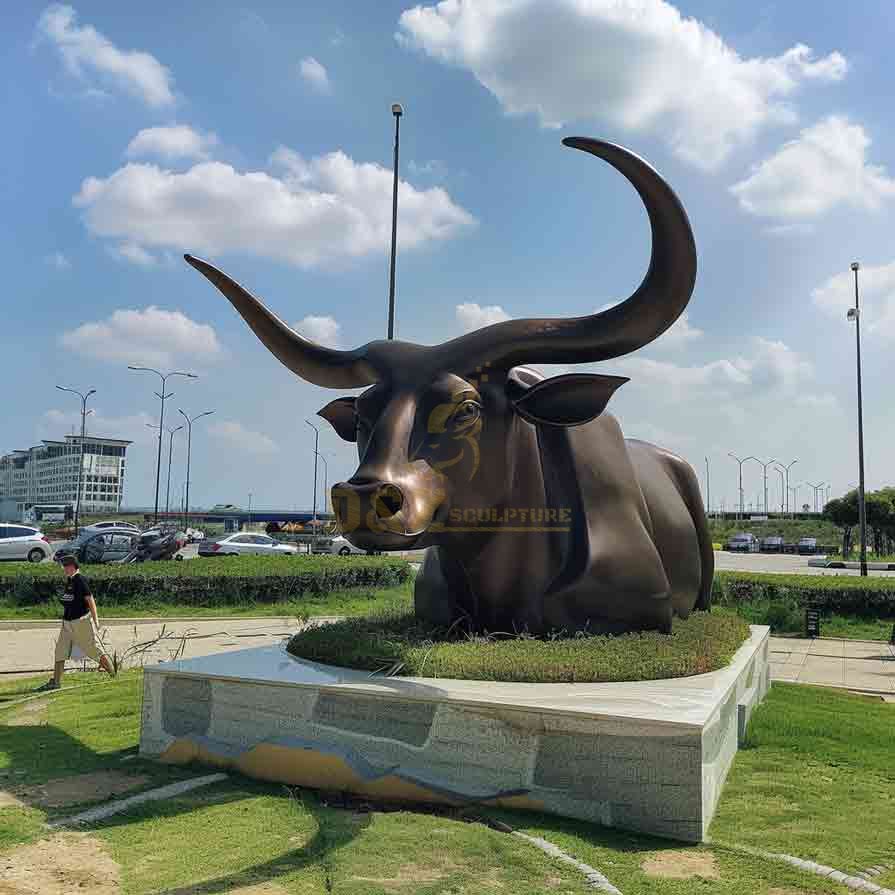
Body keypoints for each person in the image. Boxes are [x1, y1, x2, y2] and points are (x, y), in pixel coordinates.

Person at [35, 556, 116, 691]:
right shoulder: (70, 580)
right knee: (60, 651)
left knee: (93, 650)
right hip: (67, 623)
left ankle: (113, 674)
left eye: (65, 566)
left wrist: (96, 620)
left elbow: (90, 600)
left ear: (72, 566)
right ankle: (56, 682)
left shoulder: (80, 580)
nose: (64, 569)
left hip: (80, 622)